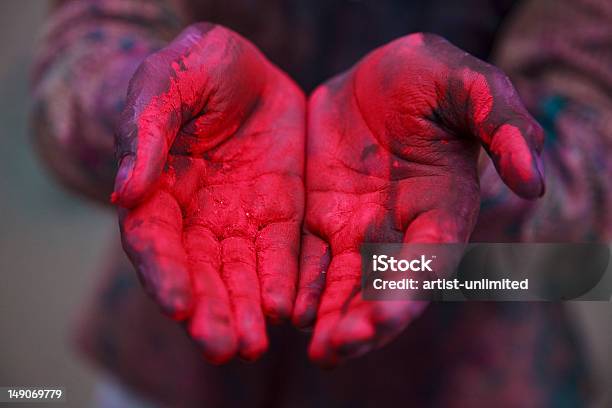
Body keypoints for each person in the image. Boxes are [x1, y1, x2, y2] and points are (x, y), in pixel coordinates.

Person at [31, 0, 610, 406]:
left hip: (466, 367)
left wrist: (466, 149)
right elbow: (91, 35)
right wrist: (141, 112)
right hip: (172, 352)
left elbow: (591, 144)